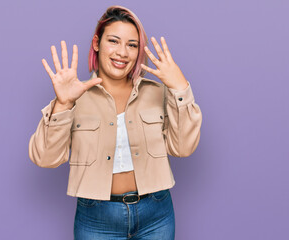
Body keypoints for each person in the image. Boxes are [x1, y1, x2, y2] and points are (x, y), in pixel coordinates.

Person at [29, 5, 202, 240]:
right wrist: (63, 104)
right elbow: (45, 159)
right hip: (96, 218)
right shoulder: (74, 97)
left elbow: (183, 149)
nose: (122, 52)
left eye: (132, 45)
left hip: (157, 213)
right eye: (113, 41)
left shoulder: (157, 93)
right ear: (97, 43)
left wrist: (180, 88)